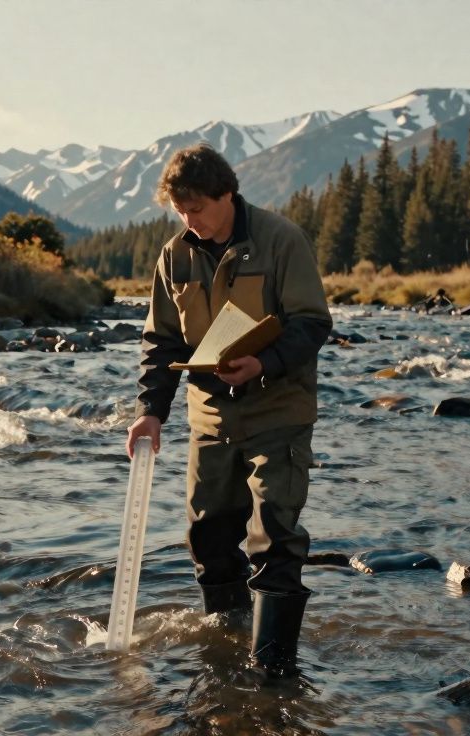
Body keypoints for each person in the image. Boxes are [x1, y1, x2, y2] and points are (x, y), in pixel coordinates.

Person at [125, 143, 332, 677]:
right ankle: (226, 655)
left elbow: (312, 324)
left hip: (277, 412)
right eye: (180, 212)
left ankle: (272, 672)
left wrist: (262, 363)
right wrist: (151, 411)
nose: (190, 221)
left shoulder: (281, 240)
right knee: (208, 538)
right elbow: (162, 343)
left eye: (198, 209)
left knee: (275, 536)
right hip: (210, 420)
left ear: (228, 195)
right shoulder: (174, 255)